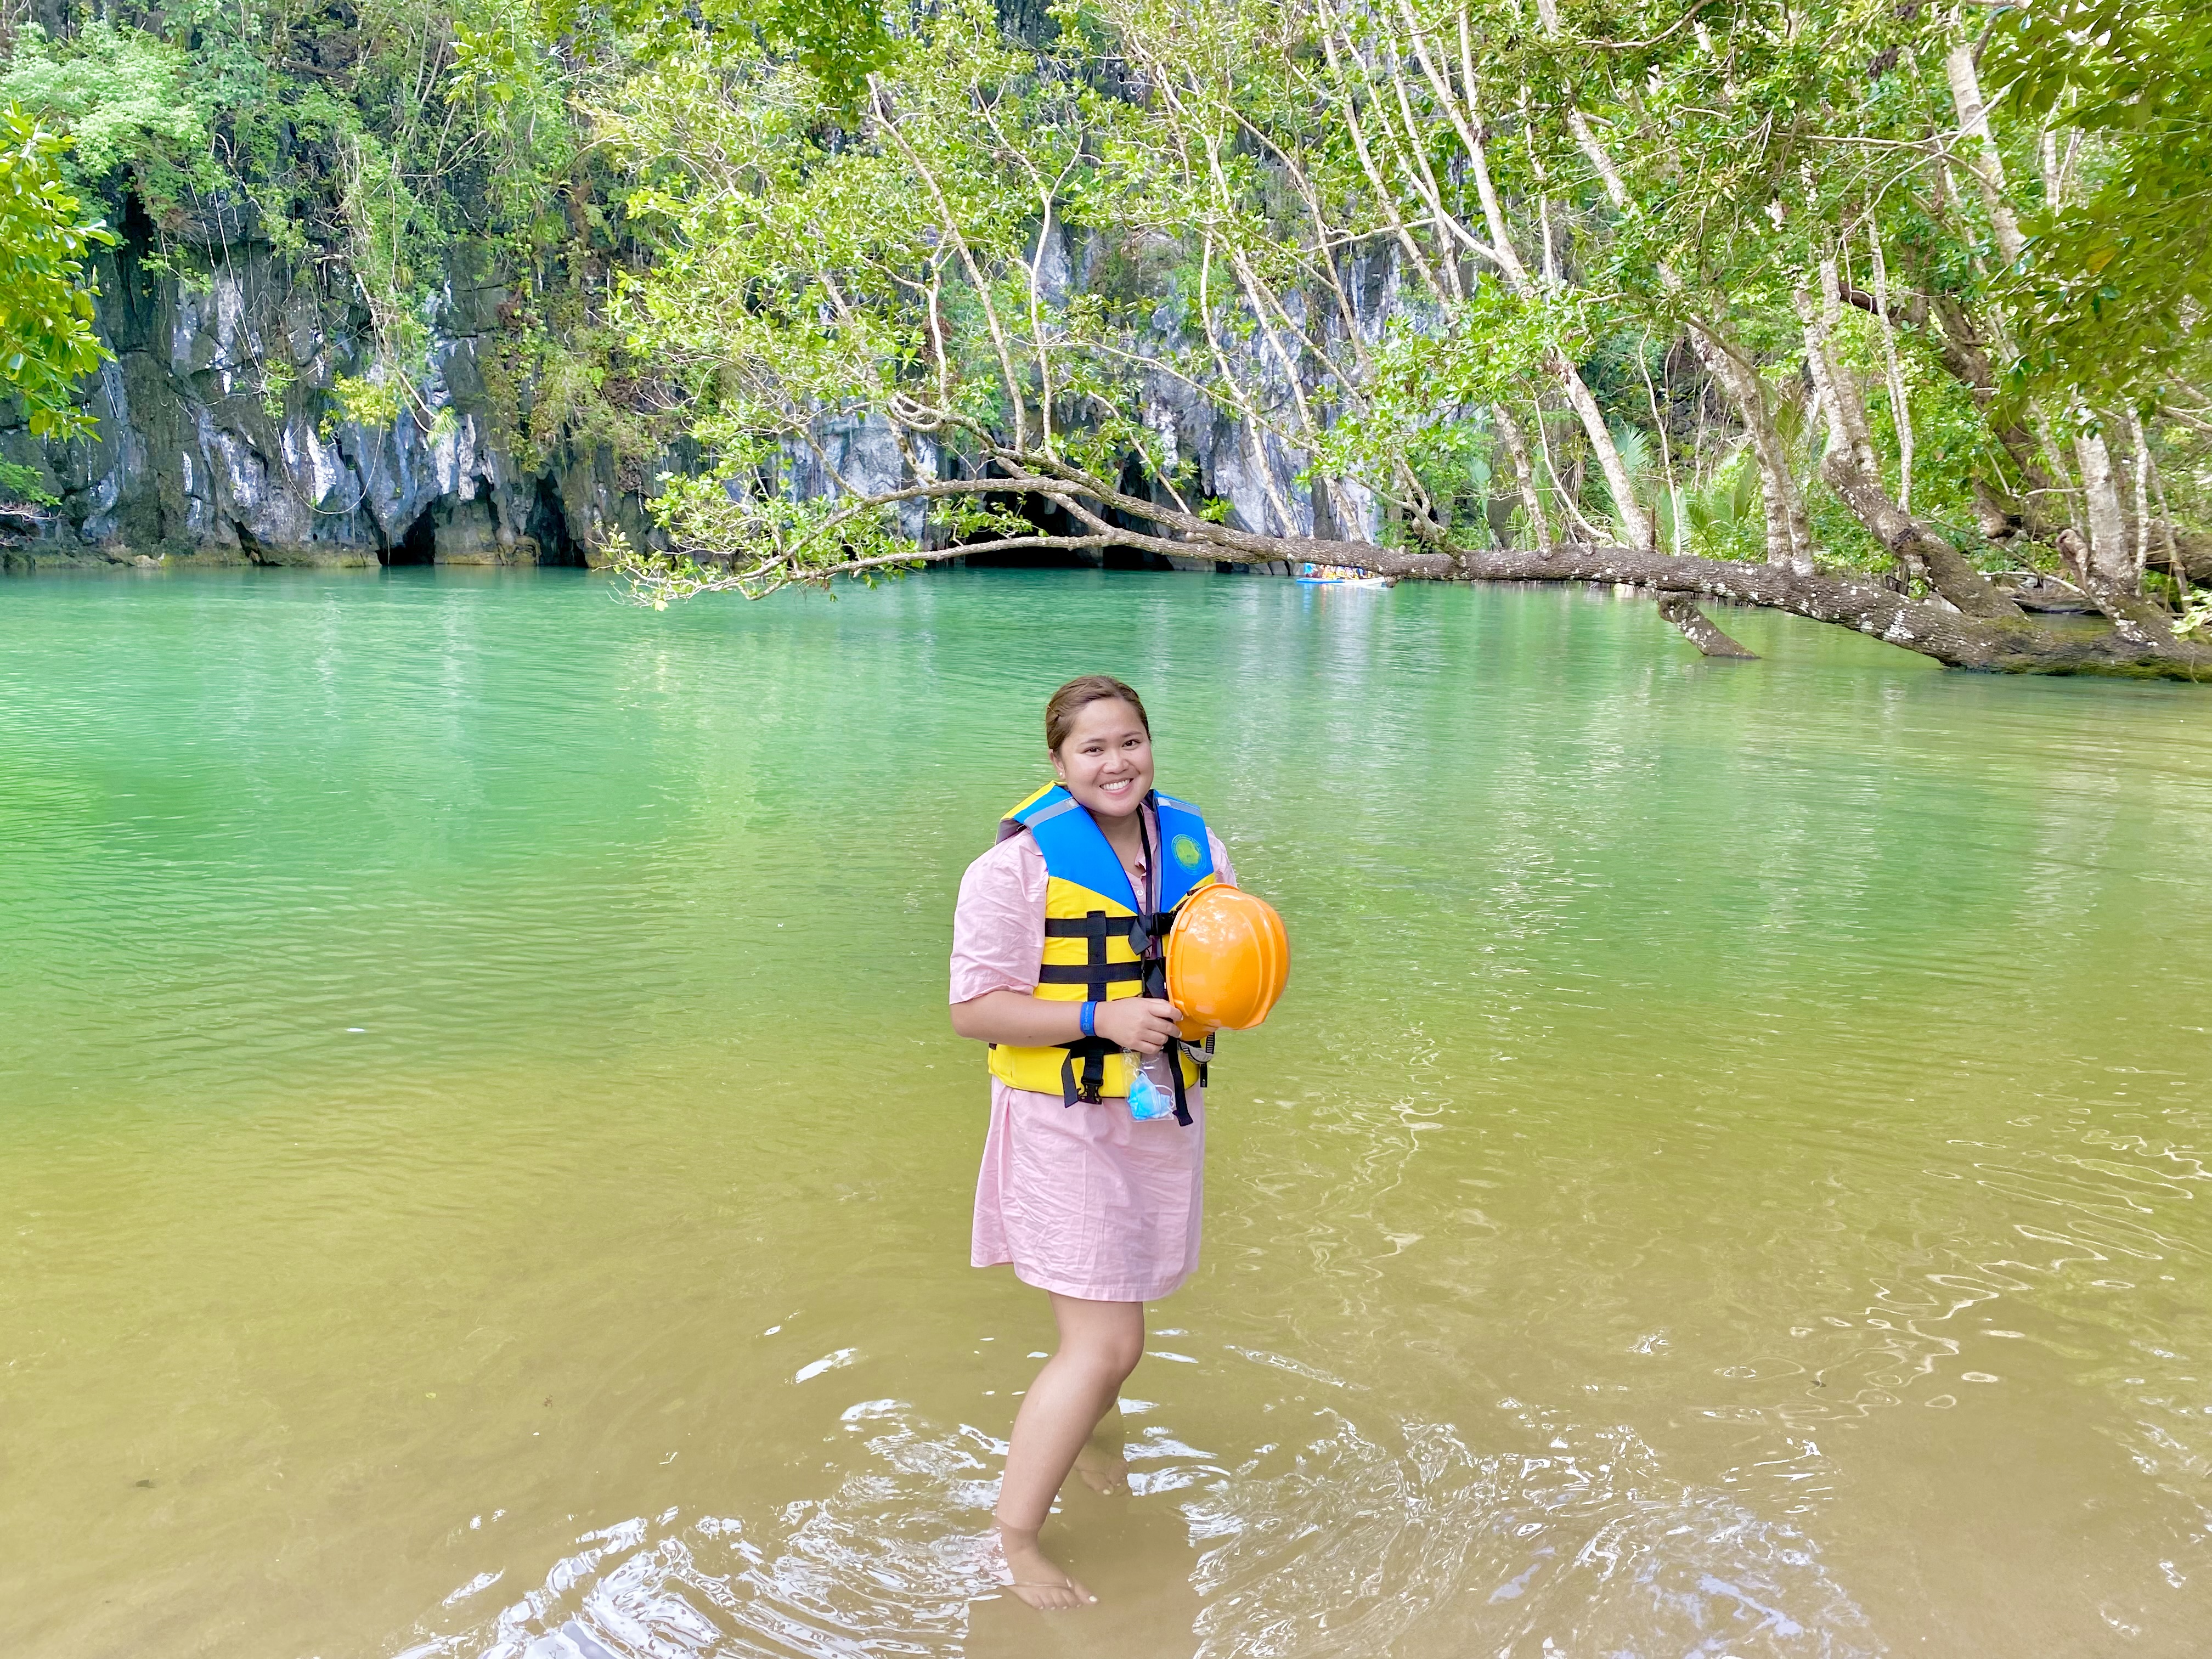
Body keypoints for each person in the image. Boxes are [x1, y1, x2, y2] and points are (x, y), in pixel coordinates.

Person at [949, 674, 1236, 1611]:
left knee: (1117, 1327)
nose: (1117, 764)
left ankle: (1094, 1450)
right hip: (1061, 1122)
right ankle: (1014, 1539)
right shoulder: (1014, 870)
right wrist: (1102, 1017)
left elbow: (1224, 965)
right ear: (1059, 762)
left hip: (1158, 1112)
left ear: (1152, 744)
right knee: (1107, 1340)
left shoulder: (1196, 846)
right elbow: (973, 1010)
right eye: (1093, 749)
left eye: (1131, 743)